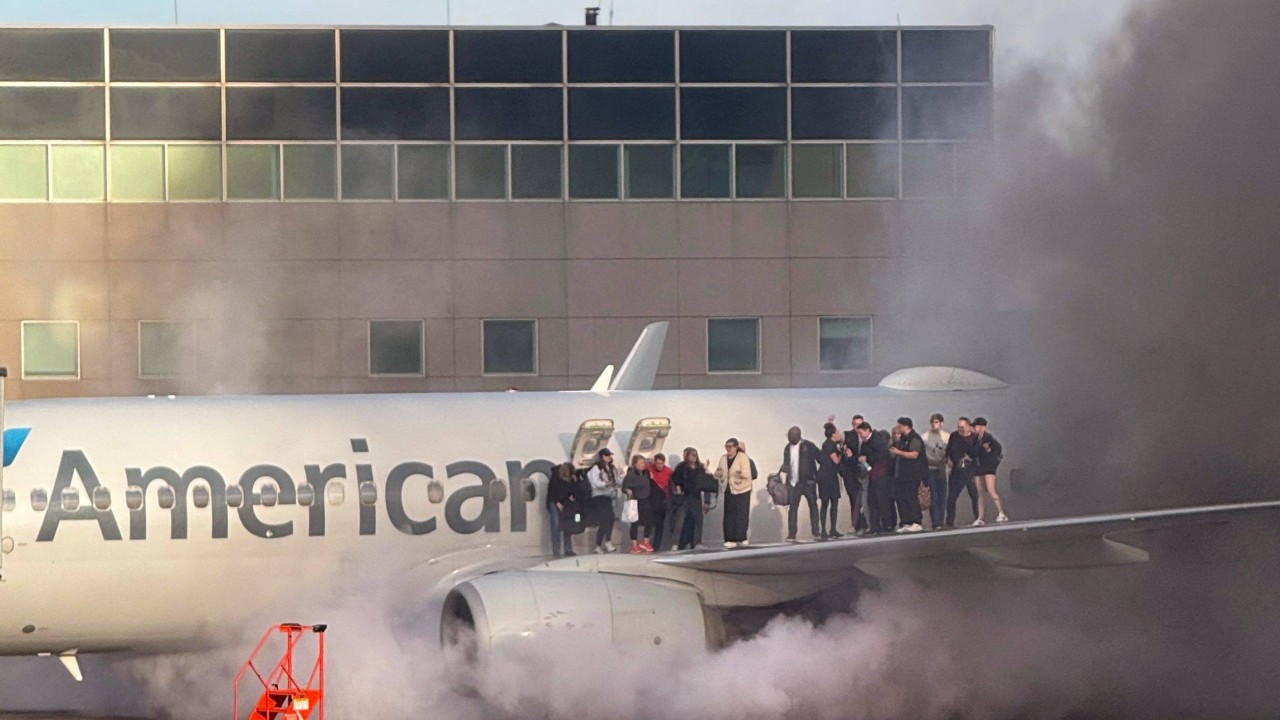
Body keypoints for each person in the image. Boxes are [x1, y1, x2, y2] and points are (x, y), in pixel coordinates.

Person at [778, 426, 821, 541]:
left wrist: (815, 476)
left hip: (808, 482)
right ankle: (792, 533)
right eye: (788, 436)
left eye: (791, 436)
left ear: (798, 435)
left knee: (813, 506)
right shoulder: (787, 448)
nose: (789, 438)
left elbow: (820, 458)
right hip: (793, 483)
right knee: (793, 508)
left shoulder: (809, 446)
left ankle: (816, 531)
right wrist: (784, 470)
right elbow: (786, 462)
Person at [668, 447, 711, 550]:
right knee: (680, 520)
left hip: (696, 497)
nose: (694, 457)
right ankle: (676, 543)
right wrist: (678, 487)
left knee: (698, 520)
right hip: (684, 496)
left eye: (695, 454)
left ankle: (697, 542)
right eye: (692, 454)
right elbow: (675, 479)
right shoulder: (681, 467)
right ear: (686, 456)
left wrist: (707, 501)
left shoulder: (700, 468)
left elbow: (706, 484)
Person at [889, 417, 926, 532]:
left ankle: (916, 521)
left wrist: (898, 452)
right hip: (901, 475)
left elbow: (914, 454)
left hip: (912, 474)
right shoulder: (902, 439)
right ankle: (906, 521)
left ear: (906, 426)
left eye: (900, 426)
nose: (898, 428)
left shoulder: (914, 438)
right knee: (902, 498)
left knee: (911, 497)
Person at [855, 422, 894, 534]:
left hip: (881, 475)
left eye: (861, 433)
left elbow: (883, 456)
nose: (860, 436)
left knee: (883, 500)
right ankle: (874, 526)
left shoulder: (878, 441)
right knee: (872, 501)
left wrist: (867, 458)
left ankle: (887, 525)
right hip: (871, 474)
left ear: (867, 430)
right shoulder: (864, 443)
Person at [714, 438, 753, 548]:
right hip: (728, 489)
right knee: (729, 515)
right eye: (726, 447)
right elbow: (719, 472)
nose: (728, 449)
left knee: (741, 514)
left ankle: (741, 537)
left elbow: (747, 473)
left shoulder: (743, 457)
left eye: (730, 447)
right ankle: (729, 538)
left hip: (742, 489)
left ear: (736, 447)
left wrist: (738, 473)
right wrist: (718, 473)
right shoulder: (723, 458)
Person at [972, 417, 1009, 525]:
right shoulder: (975, 440)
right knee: (980, 492)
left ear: (983, 427)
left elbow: (997, 451)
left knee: (991, 489)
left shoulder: (989, 439)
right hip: (979, 468)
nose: (977, 429)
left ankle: (1001, 512)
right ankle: (980, 517)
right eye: (976, 427)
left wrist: (992, 461)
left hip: (988, 467)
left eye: (979, 427)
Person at [944, 417, 980, 527]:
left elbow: (979, 454)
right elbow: (948, 451)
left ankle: (978, 518)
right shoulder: (954, 436)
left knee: (975, 496)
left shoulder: (975, 438)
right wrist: (948, 461)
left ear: (968, 426)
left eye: (962, 427)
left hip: (970, 471)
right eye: (958, 427)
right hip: (957, 470)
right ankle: (950, 522)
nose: (960, 429)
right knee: (951, 497)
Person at [586, 449, 622, 553]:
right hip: (599, 496)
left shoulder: (611, 468)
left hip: (609, 495)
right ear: (602, 457)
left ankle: (607, 541)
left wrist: (621, 477)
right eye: (606, 456)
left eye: (609, 455)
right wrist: (606, 484)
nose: (609, 457)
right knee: (605, 519)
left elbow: (617, 481)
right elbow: (595, 482)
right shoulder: (596, 468)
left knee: (610, 518)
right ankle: (598, 544)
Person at [922, 414, 951, 531]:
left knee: (942, 495)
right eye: (933, 422)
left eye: (937, 422)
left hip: (942, 469)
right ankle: (935, 521)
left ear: (941, 423)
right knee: (933, 495)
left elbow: (950, 452)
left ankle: (941, 520)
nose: (935, 425)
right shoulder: (925, 437)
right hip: (930, 469)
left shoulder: (946, 437)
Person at [816, 423, 844, 539]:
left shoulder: (828, 444)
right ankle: (825, 529)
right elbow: (836, 460)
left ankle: (831, 529)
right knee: (827, 503)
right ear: (833, 434)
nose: (839, 434)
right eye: (837, 432)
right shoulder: (830, 445)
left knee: (831, 503)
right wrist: (842, 453)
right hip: (828, 477)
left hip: (829, 476)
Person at [546, 462, 580, 557]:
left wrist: (571, 497)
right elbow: (552, 492)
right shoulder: (556, 478)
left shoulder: (571, 479)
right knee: (556, 525)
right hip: (554, 501)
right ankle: (556, 550)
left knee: (567, 524)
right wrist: (557, 502)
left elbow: (573, 491)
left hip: (565, 502)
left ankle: (568, 549)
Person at [623, 454, 655, 553]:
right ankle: (634, 544)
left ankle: (646, 541)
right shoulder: (631, 475)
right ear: (635, 464)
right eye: (640, 463)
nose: (642, 464)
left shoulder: (646, 473)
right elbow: (624, 487)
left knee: (649, 520)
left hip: (646, 499)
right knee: (635, 522)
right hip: (636, 500)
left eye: (643, 463)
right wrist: (628, 491)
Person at [648, 453, 672, 551]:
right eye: (657, 463)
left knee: (660, 525)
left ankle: (656, 546)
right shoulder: (651, 468)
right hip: (653, 500)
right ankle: (648, 543)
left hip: (663, 500)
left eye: (661, 463)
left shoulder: (668, 471)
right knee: (651, 524)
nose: (659, 466)